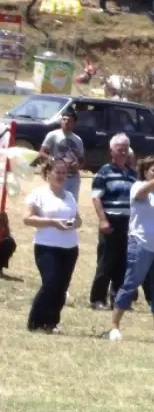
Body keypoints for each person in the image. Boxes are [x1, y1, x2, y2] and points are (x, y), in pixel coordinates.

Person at [108, 156, 154, 343]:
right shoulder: (138, 186)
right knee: (131, 283)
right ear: (145, 172)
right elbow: (143, 193)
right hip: (141, 244)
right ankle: (114, 326)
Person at [23, 159, 82, 332]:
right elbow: (27, 219)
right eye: (58, 172)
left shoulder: (69, 196)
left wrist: (74, 223)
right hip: (46, 246)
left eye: (64, 173)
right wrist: (52, 222)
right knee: (50, 283)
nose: (62, 176)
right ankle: (35, 322)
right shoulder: (38, 194)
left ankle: (51, 322)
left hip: (70, 247)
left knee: (62, 287)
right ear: (48, 173)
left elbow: (78, 219)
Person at [89, 134, 137, 310]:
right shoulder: (104, 172)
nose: (123, 151)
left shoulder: (133, 174)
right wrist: (103, 220)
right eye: (119, 148)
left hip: (128, 223)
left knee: (123, 262)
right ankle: (97, 299)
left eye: (126, 147)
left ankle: (118, 298)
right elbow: (96, 198)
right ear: (111, 151)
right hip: (110, 221)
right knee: (106, 262)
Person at [39, 107, 85, 200]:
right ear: (61, 121)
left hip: (73, 177)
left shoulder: (78, 140)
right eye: (64, 119)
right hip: (58, 175)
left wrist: (78, 165)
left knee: (71, 203)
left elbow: (82, 159)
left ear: (74, 123)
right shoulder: (53, 135)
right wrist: (52, 159)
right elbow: (42, 153)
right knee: (57, 201)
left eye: (70, 120)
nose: (66, 122)